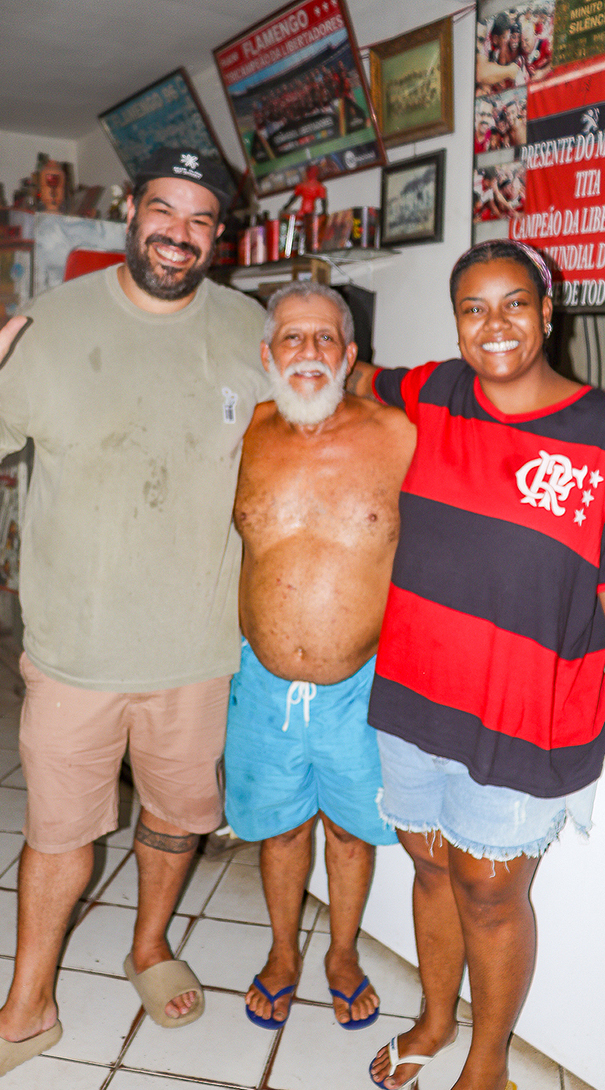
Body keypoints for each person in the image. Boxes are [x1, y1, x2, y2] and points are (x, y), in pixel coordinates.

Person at [0, 147, 270, 1090]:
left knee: (174, 817)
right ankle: (27, 1007)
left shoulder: (251, 330)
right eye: (165, 211)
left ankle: (150, 949)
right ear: (131, 209)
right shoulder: (54, 320)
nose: (180, 235)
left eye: (201, 220)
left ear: (218, 235)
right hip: (76, 647)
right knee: (59, 834)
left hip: (197, 649)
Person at [348, 240, 605, 1090]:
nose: (494, 327)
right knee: (429, 867)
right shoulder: (438, 389)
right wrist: (303, 354)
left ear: (548, 308)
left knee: (492, 892)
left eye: (513, 305)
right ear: (457, 322)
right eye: (473, 309)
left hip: (526, 712)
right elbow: (358, 373)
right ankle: (436, 1018)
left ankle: (487, 1060)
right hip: (414, 694)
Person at [224, 281, 415, 1030]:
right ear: (268, 354)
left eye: (325, 338)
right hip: (261, 682)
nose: (309, 353)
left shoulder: (398, 435)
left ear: (351, 354)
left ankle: (341, 953)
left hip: (360, 686)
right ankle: (282, 952)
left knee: (348, 827)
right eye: (293, 339)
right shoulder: (242, 435)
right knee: (280, 826)